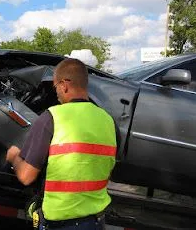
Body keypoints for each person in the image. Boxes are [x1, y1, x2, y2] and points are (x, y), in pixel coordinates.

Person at [6, 58, 117, 230]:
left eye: (56, 86)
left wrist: (14, 157)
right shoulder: (108, 121)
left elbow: (26, 177)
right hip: (96, 222)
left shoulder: (52, 117)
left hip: (61, 224)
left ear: (64, 84)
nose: (56, 92)